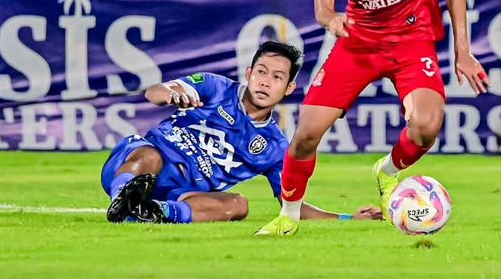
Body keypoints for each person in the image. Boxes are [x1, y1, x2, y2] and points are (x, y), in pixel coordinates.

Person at [255, 0, 490, 237]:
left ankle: (387, 171)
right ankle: (288, 216)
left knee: (427, 126)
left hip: (411, 41)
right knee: (305, 135)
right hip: (357, 41)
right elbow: (323, 8)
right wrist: (331, 19)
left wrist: (462, 51)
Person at [103, 39, 382, 224]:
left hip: (181, 193)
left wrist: (348, 218)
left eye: (277, 77)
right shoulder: (215, 87)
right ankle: (122, 199)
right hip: (135, 165)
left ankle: (154, 212)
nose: (265, 82)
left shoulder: (274, 148)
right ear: (248, 73)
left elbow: (292, 206)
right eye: (261, 71)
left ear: (288, 89)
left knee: (239, 205)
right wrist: (171, 94)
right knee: (149, 156)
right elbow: (154, 92)